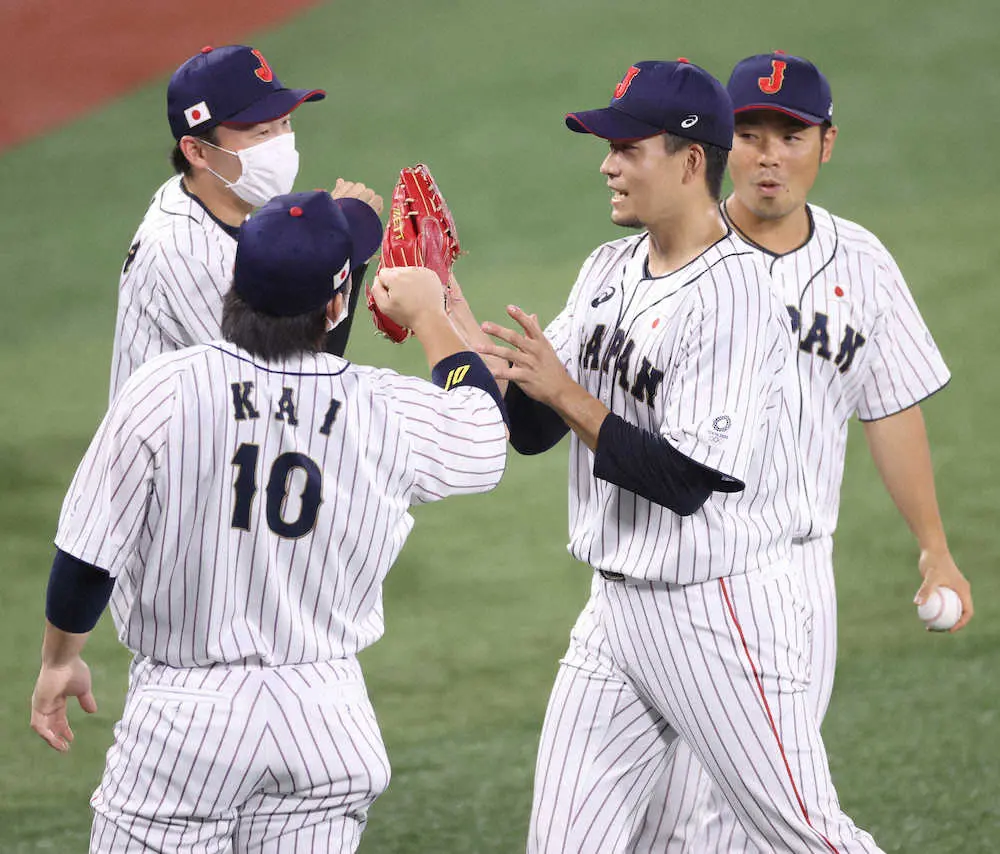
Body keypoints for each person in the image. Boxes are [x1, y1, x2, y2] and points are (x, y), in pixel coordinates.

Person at [464, 58, 886, 853]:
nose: (607, 165)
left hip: (716, 613)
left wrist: (563, 392)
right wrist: (459, 332)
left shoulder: (738, 296)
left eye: (627, 148)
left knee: (807, 834)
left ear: (691, 162)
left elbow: (683, 480)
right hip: (612, 616)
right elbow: (534, 429)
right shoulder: (607, 269)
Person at [29, 190, 508, 853]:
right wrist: (431, 317)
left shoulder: (165, 389)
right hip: (326, 721)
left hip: (186, 724)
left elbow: (87, 558)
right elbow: (484, 433)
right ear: (336, 306)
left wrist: (61, 661)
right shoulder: (382, 407)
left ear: (236, 282)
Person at [629, 51, 974, 853]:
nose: (770, 157)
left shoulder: (863, 264)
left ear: (827, 143)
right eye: (751, 135)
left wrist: (935, 547)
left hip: (794, 578)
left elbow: (891, 408)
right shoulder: (670, 252)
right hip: (677, 572)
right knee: (674, 823)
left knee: (752, 821)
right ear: (721, 145)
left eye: (791, 137)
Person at [110, 43, 382, 401]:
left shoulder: (216, 197)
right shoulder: (188, 252)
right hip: (176, 436)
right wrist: (343, 251)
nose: (281, 143)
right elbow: (290, 388)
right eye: (261, 133)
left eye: (285, 123)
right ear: (197, 151)